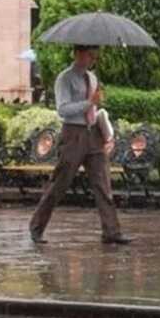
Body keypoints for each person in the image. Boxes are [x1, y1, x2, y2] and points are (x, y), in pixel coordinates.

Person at [28, 45, 132, 245]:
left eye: (94, 56)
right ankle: (37, 227)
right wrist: (89, 103)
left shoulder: (92, 78)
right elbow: (63, 109)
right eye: (89, 55)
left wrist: (98, 110)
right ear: (77, 54)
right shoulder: (65, 78)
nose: (92, 59)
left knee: (103, 183)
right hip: (74, 133)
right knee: (60, 182)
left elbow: (94, 107)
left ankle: (112, 231)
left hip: (93, 133)